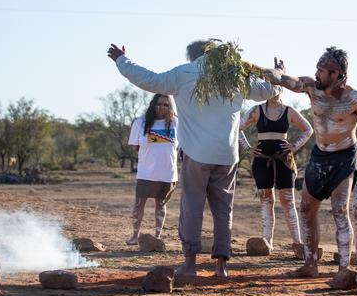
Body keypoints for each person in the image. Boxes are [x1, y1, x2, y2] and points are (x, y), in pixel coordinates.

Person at [108, 40, 280, 278]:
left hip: (196, 154)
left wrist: (121, 60)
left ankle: (190, 264)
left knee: (192, 207)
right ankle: (221, 267)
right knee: (223, 210)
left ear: (194, 56)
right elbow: (268, 90)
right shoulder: (235, 77)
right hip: (227, 156)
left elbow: (148, 79)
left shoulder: (184, 73)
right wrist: (278, 74)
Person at [255, 47, 357, 289]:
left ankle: (344, 269)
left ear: (337, 74)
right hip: (319, 157)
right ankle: (310, 263)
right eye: (316, 68)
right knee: (307, 209)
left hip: (343, 159)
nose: (316, 73)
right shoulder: (311, 87)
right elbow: (286, 81)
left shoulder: (353, 98)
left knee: (340, 209)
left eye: (321, 70)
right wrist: (274, 72)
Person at [239, 88, 313, 254]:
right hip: (262, 160)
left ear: (281, 89)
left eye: (276, 88)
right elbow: (238, 127)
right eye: (269, 88)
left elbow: (308, 129)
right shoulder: (257, 110)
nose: (273, 92)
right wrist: (247, 148)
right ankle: (267, 242)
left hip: (284, 160)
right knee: (266, 200)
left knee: (288, 200)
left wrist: (294, 146)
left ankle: (298, 244)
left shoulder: (289, 111)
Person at [125, 94, 178, 245]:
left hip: (168, 172)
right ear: (153, 105)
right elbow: (135, 146)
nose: (162, 107)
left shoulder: (176, 123)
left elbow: (181, 146)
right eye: (159, 104)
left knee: (161, 204)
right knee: (139, 204)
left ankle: (157, 236)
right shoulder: (140, 123)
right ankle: (135, 236)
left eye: (166, 105)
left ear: (170, 107)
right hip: (146, 172)